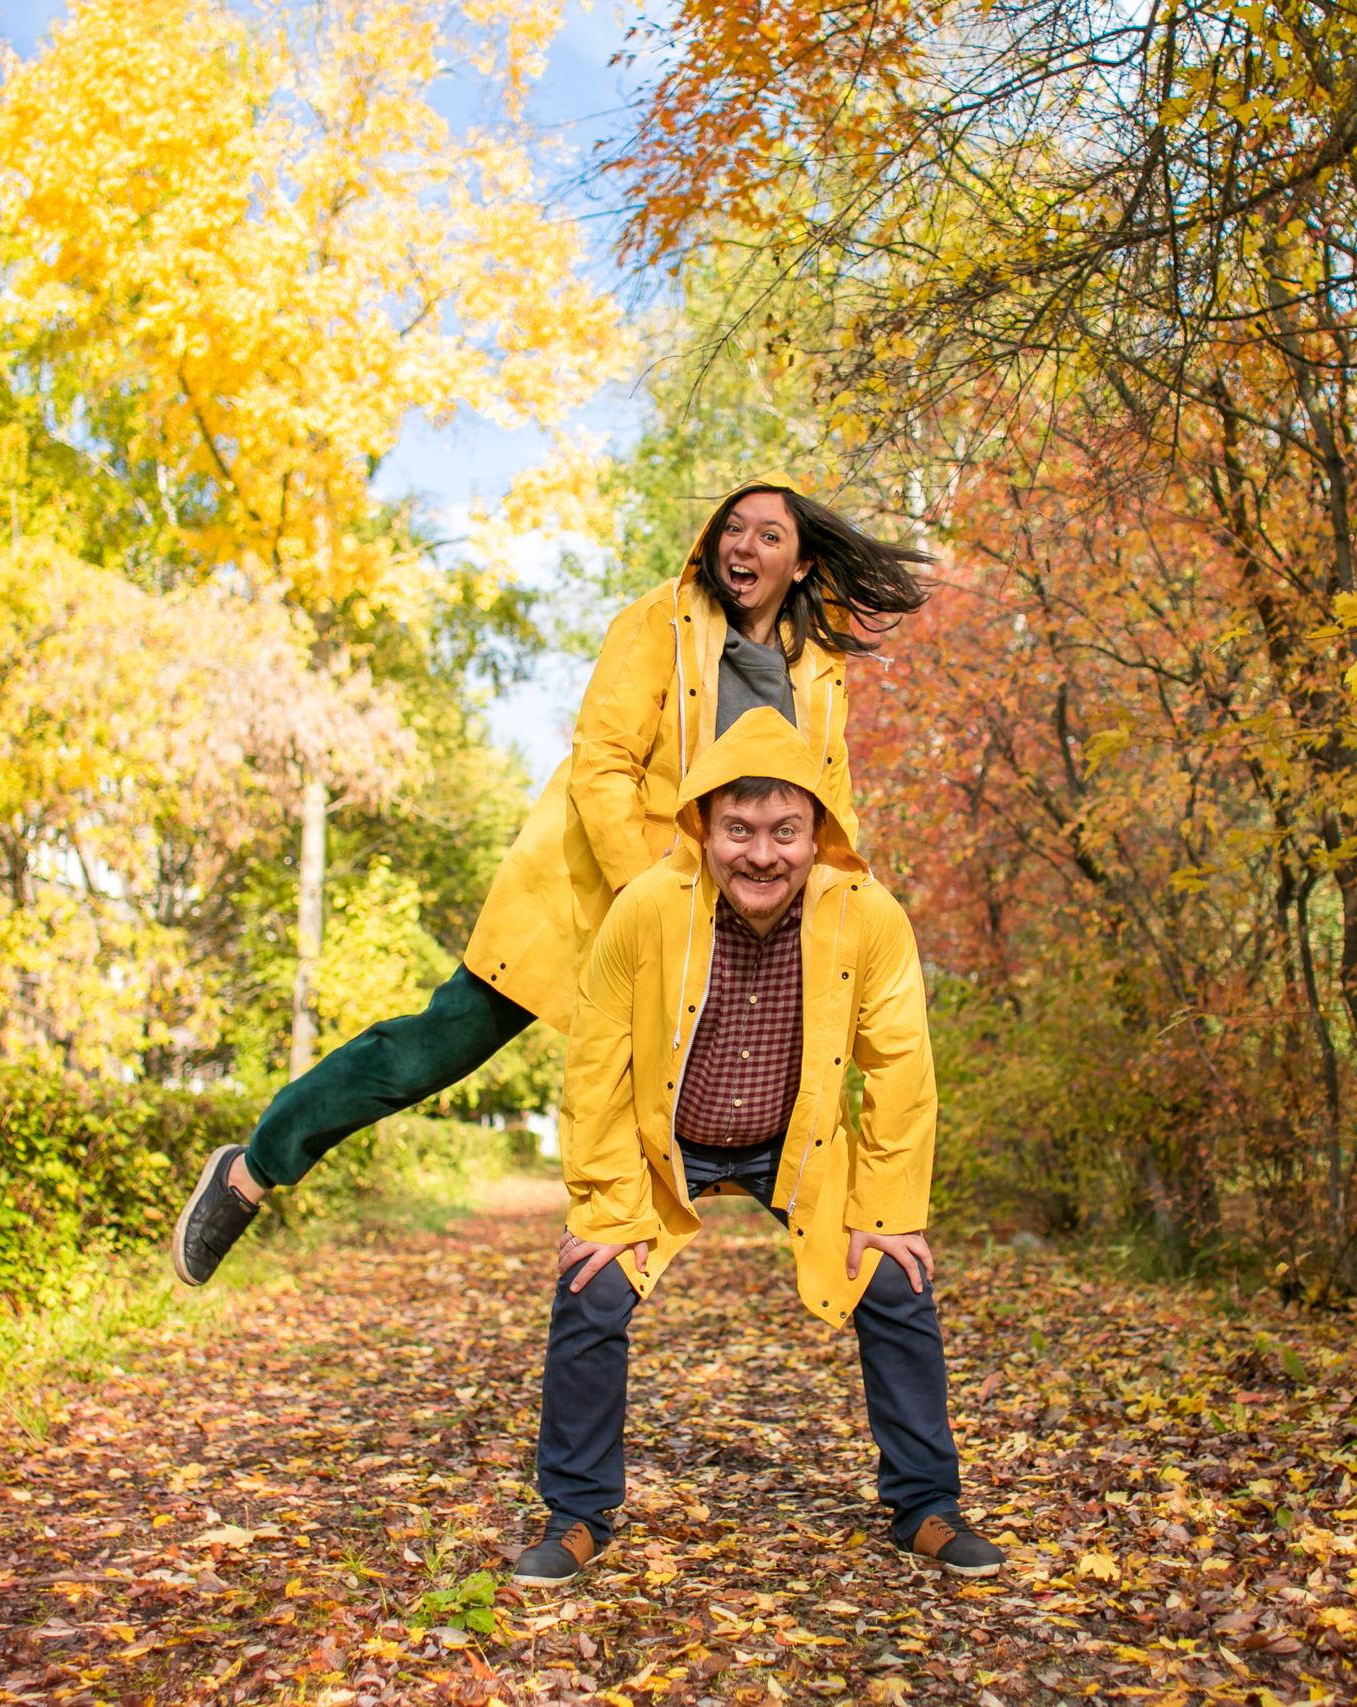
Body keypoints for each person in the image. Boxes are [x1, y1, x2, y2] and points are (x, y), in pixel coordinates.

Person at [171, 482, 931, 1286]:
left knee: (806, 1082)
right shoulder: (658, 623)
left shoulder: (818, 668)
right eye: (731, 528)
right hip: (594, 900)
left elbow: (826, 801)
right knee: (433, 1047)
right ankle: (252, 1167)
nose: (742, 546)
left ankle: (875, 1278)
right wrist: (653, 901)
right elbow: (604, 763)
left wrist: (844, 904)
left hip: (744, 919)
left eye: (767, 535)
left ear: (801, 560)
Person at [512, 707, 1005, 1587]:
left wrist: (888, 1211)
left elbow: (900, 1068)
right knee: (591, 1283)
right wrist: (606, 1204)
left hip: (799, 1141)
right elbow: (595, 1065)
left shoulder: (871, 918)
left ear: (819, 834)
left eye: (785, 831)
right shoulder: (645, 910)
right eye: (738, 829)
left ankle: (927, 1507)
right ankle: (577, 1514)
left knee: (896, 1277)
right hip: (670, 1144)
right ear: (703, 827)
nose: (761, 854)